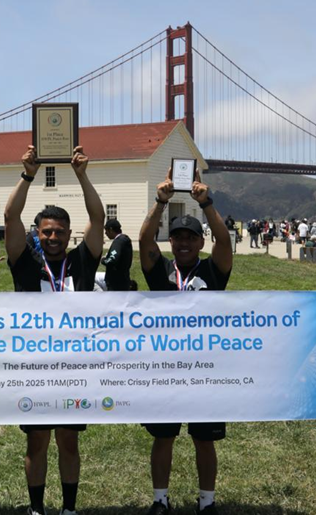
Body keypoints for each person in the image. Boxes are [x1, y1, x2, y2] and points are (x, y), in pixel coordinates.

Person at [4, 144, 104, 515]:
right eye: (46, 232)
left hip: (75, 368)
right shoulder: (24, 262)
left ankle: (69, 509)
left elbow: (97, 217)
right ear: (38, 233)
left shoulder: (83, 261)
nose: (53, 237)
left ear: (68, 234)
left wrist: (82, 175)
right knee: (36, 443)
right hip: (34, 367)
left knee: (69, 442)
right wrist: (27, 175)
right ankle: (36, 509)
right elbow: (10, 216)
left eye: (59, 232)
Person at [138, 167, 233, 515]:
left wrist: (206, 203)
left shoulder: (213, 270)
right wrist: (160, 202)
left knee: (204, 439)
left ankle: (206, 502)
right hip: (165, 368)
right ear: (171, 241)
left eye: (190, 238)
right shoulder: (160, 271)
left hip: (204, 368)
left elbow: (225, 242)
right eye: (177, 237)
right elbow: (144, 241)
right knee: (163, 437)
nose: (183, 243)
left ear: (200, 243)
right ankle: (160, 500)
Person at [101, 219, 133, 291]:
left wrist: (103, 260)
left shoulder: (118, 242)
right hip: (124, 280)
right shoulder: (125, 240)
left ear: (111, 229)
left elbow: (112, 260)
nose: (105, 233)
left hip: (115, 284)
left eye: (106, 230)